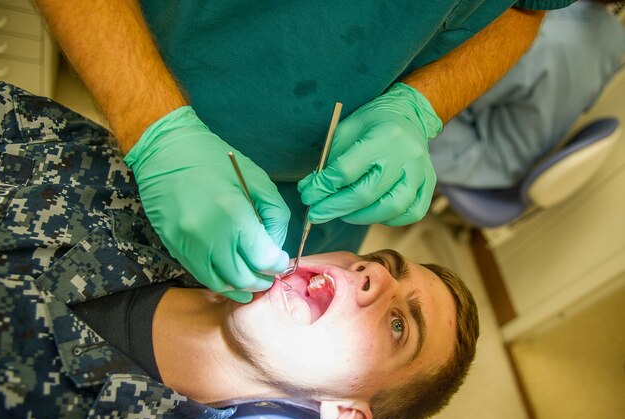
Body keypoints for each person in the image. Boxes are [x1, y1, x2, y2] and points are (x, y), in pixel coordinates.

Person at [0, 65, 478, 419]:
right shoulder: (144, 194)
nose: (374, 275)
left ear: (344, 414)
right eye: (381, 263)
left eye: (400, 325)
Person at [34, 0, 575, 304]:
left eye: (397, 323)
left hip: (323, 174)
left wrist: (420, 106)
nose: (375, 277)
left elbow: (526, 11)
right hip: (159, 79)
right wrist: (156, 128)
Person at [430, 0, 625, 188]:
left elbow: (462, 97)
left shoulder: (540, 36)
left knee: (414, 95)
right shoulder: (616, 38)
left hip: (482, 157)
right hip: (523, 152)